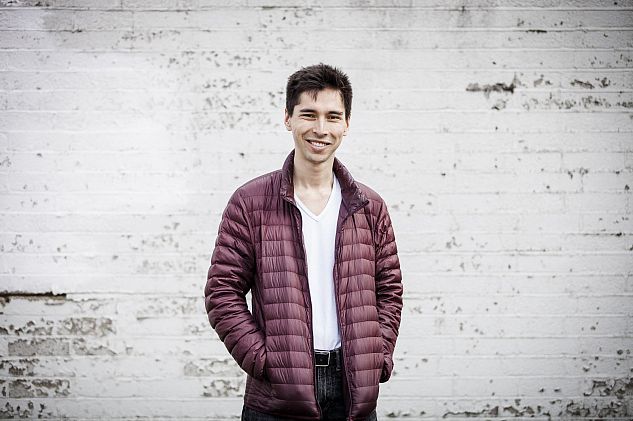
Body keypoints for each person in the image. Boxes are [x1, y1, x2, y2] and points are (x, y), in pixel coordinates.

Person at [204, 63, 403, 421]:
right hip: (277, 398)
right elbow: (222, 293)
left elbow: (389, 291)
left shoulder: (369, 207)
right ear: (288, 118)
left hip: (353, 393)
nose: (321, 129)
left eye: (332, 116)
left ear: (347, 123)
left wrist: (378, 357)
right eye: (308, 114)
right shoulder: (250, 202)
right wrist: (267, 362)